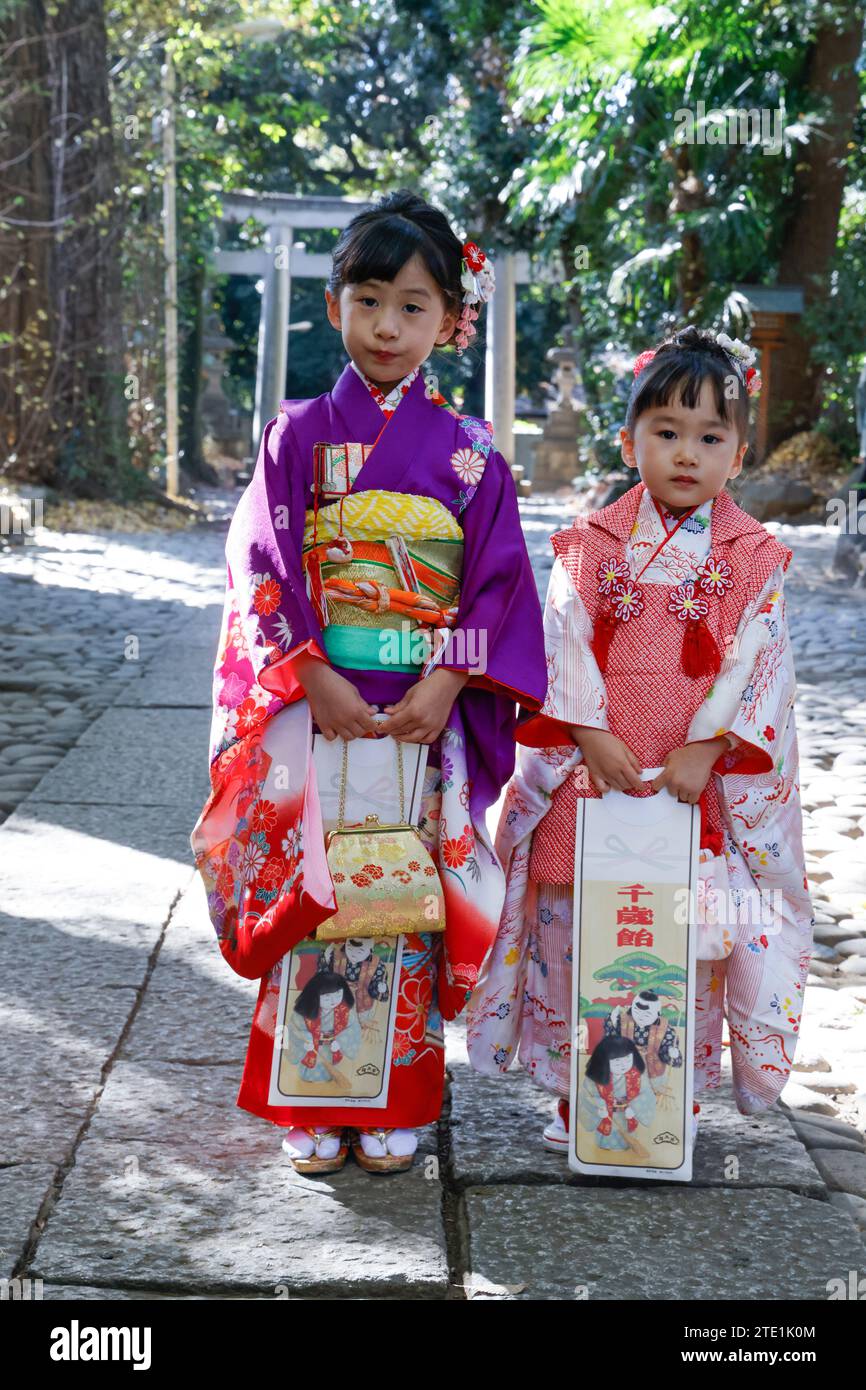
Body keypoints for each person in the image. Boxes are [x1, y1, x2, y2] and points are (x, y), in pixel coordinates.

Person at [190, 189, 546, 1174]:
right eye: (368, 299)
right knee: (323, 886)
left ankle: (394, 1095)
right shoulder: (296, 436)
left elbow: (497, 588)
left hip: (421, 717)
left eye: (414, 304)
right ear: (336, 303)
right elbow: (261, 563)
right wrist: (308, 668)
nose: (388, 326)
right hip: (319, 705)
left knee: (402, 894)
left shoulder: (474, 459)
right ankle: (312, 1096)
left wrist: (445, 683)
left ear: (450, 320)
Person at [466, 324, 815, 1157]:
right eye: (665, 432)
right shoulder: (590, 546)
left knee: (682, 941)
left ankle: (671, 1090)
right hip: (596, 774)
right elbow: (563, 641)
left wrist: (707, 748)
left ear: (739, 451)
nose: (686, 454)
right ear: (629, 441)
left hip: (693, 784)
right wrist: (585, 730)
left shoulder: (752, 557)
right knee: (575, 924)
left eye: (710, 436)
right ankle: (572, 1094)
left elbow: (756, 662)